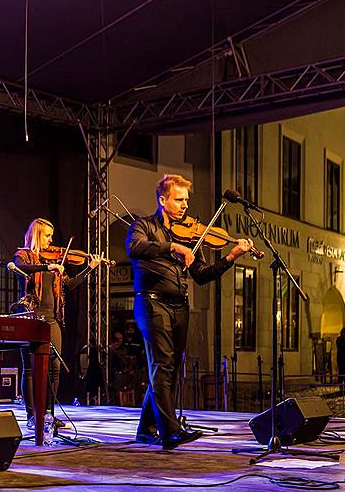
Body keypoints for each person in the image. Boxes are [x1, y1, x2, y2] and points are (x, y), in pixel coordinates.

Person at [127, 174, 253, 449]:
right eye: (179, 199)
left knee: (169, 369)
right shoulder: (144, 226)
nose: (185, 205)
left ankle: (147, 430)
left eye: (187, 200)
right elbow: (134, 247)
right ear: (163, 200)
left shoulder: (191, 234)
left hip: (179, 304)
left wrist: (231, 257)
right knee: (162, 365)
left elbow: (203, 275)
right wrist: (172, 245)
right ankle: (170, 431)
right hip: (151, 302)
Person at [14, 218, 101, 429]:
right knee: (30, 369)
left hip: (52, 318)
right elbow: (22, 268)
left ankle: (49, 415)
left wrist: (89, 268)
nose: (51, 241)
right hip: (30, 315)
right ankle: (32, 416)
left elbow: (70, 285)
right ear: (36, 235)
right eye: (47, 236)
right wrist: (46, 265)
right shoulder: (23, 255)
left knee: (54, 368)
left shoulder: (56, 264)